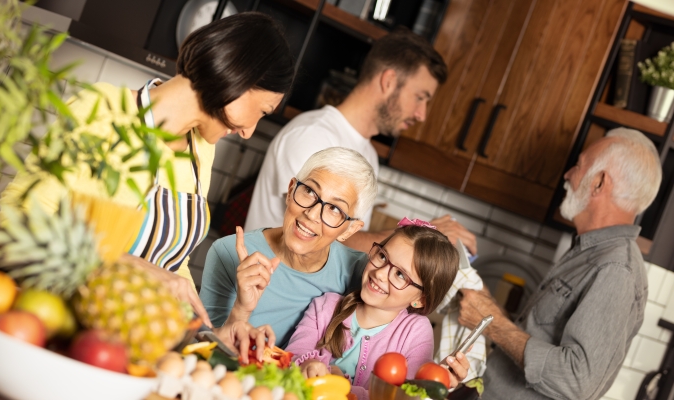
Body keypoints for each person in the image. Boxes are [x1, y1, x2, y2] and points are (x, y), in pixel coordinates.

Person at [0, 12, 295, 351]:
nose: (248, 131)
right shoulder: (103, 110)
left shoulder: (201, 151)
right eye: (262, 111)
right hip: (59, 330)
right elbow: (19, 217)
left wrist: (213, 334)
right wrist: (142, 271)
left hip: (131, 345)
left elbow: (171, 264)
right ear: (239, 80)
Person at [200, 147, 471, 383]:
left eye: (334, 210)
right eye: (309, 192)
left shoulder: (362, 273)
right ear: (291, 190)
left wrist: (438, 382)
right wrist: (241, 312)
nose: (312, 215)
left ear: (349, 229)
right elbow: (200, 355)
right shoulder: (228, 253)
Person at [457, 127, 662, 399]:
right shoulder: (589, 253)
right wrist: (489, 309)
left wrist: (491, 323)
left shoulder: (616, 270)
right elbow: (537, 339)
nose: (567, 175)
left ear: (599, 182)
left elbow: (576, 380)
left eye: (578, 166)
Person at [243, 27, 478, 256]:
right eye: (420, 98)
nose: (421, 114)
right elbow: (325, 239)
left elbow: (345, 244)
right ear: (388, 81)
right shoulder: (313, 135)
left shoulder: (368, 156)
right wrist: (421, 235)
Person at [286, 220, 459, 400]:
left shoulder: (415, 331)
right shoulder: (325, 306)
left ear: (420, 299)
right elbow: (292, 355)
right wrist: (309, 365)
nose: (380, 273)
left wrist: (341, 387)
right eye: (383, 257)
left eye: (400, 275)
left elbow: (405, 396)